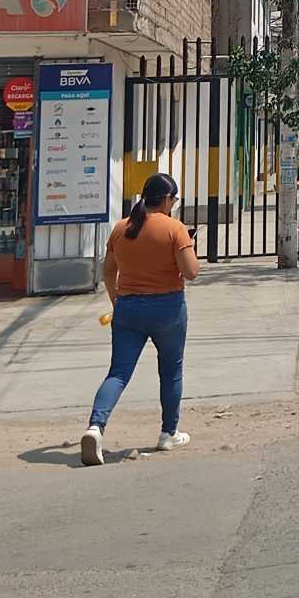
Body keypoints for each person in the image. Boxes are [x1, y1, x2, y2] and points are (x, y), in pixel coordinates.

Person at [81, 171, 200, 466]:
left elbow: (108, 272)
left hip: (128, 309)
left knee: (118, 373)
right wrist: (188, 246)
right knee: (171, 371)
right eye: (174, 200)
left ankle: (95, 427)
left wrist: (117, 301)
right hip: (168, 308)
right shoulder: (174, 229)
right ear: (167, 199)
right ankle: (168, 433)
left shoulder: (121, 228)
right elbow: (191, 272)